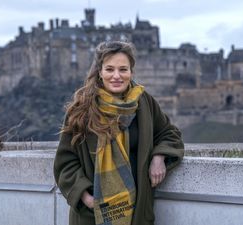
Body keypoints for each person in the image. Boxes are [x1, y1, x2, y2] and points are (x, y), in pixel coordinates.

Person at [53, 41, 184, 225]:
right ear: (100, 72)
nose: (116, 76)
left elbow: (169, 133)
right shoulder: (82, 108)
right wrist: (85, 196)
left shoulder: (144, 103)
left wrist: (159, 157)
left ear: (131, 72)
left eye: (123, 69)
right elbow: (66, 162)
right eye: (110, 69)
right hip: (93, 215)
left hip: (137, 210)